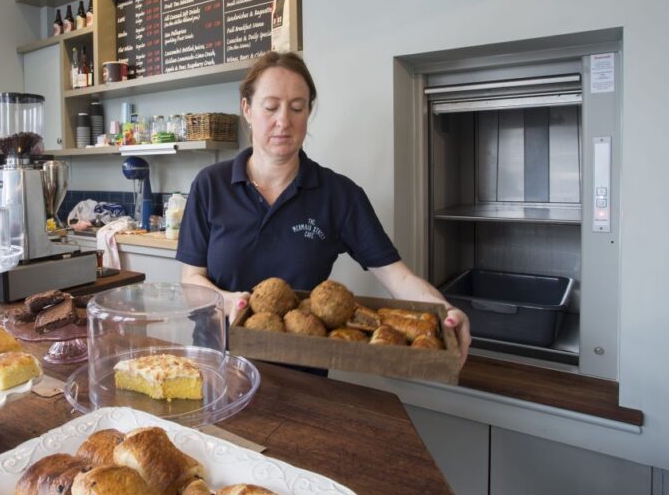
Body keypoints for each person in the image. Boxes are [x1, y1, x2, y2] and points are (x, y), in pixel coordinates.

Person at [177, 51, 471, 362]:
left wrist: (446, 312)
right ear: (247, 109)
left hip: (302, 373)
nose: (284, 121)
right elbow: (191, 279)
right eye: (271, 107)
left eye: (297, 108)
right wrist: (229, 301)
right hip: (219, 360)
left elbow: (398, 278)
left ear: (308, 112)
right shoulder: (211, 184)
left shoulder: (339, 196)